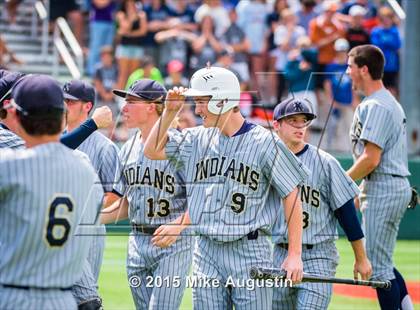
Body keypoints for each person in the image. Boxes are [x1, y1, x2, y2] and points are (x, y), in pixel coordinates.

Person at [144, 66, 308, 308]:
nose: (197, 109)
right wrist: (169, 113)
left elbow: (292, 195)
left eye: (201, 101)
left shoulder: (263, 142)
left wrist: (295, 254)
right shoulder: (197, 138)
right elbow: (151, 150)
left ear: (222, 100)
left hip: (250, 250)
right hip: (206, 250)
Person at [0, 74, 103, 309]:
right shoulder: (86, 169)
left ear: (15, 115)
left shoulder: (8, 167)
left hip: (13, 297)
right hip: (64, 299)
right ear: (62, 117)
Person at [271, 97, 372, 310]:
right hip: (279, 253)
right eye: (293, 120)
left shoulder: (325, 162)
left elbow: (346, 214)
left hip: (318, 255)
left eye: (304, 121)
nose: (300, 126)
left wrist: (361, 258)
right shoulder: (266, 160)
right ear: (276, 125)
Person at [101, 79, 192, 309]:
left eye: (131, 102)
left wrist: (181, 224)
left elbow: (205, 197)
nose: (124, 108)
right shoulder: (128, 148)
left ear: (152, 106)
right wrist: (90, 219)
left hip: (172, 244)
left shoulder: (180, 144)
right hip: (137, 242)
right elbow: (126, 203)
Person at [346, 44, 414, 310]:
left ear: (364, 69)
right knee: (382, 262)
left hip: (385, 187)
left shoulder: (378, 105)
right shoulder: (380, 102)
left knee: (375, 268)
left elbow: (372, 159)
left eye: (350, 66)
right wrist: (361, 186)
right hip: (384, 185)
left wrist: (344, 181)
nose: (347, 72)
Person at [0, 71, 113, 150]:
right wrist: (92, 124)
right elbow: (52, 150)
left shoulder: (104, 146)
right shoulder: (3, 137)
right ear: (8, 106)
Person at [324, 38, 358, 153]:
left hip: (347, 102)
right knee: (334, 128)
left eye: (344, 50)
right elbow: (327, 84)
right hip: (335, 103)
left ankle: (350, 151)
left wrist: (354, 99)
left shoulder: (350, 67)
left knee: (350, 127)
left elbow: (354, 84)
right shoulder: (331, 66)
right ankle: (333, 149)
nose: (342, 53)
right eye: (340, 50)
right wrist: (330, 100)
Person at [371, 6, 402, 97]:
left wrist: (385, 43)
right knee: (379, 89)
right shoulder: (376, 31)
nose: (386, 21)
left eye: (388, 18)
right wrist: (388, 43)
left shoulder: (394, 31)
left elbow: (397, 45)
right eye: (384, 18)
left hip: (392, 66)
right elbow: (377, 46)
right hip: (379, 66)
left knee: (392, 88)